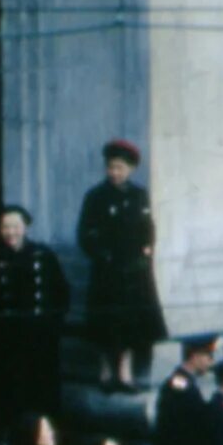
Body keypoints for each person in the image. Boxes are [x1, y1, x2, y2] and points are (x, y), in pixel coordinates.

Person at [76, 143, 167, 396]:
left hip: (133, 271)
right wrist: (101, 254)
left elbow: (148, 226)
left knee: (130, 324)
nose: (114, 172)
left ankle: (125, 373)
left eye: (120, 167)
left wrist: (146, 250)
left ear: (131, 168)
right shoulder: (95, 196)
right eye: (111, 167)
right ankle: (106, 371)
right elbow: (85, 233)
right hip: (107, 271)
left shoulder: (139, 195)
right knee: (105, 324)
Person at [0, 207, 71, 427]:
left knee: (38, 394)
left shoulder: (43, 256)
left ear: (25, 228)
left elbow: (60, 293)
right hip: (2, 341)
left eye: (15, 226)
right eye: (5, 227)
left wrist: (52, 327)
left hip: (37, 339)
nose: (10, 232)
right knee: (4, 394)